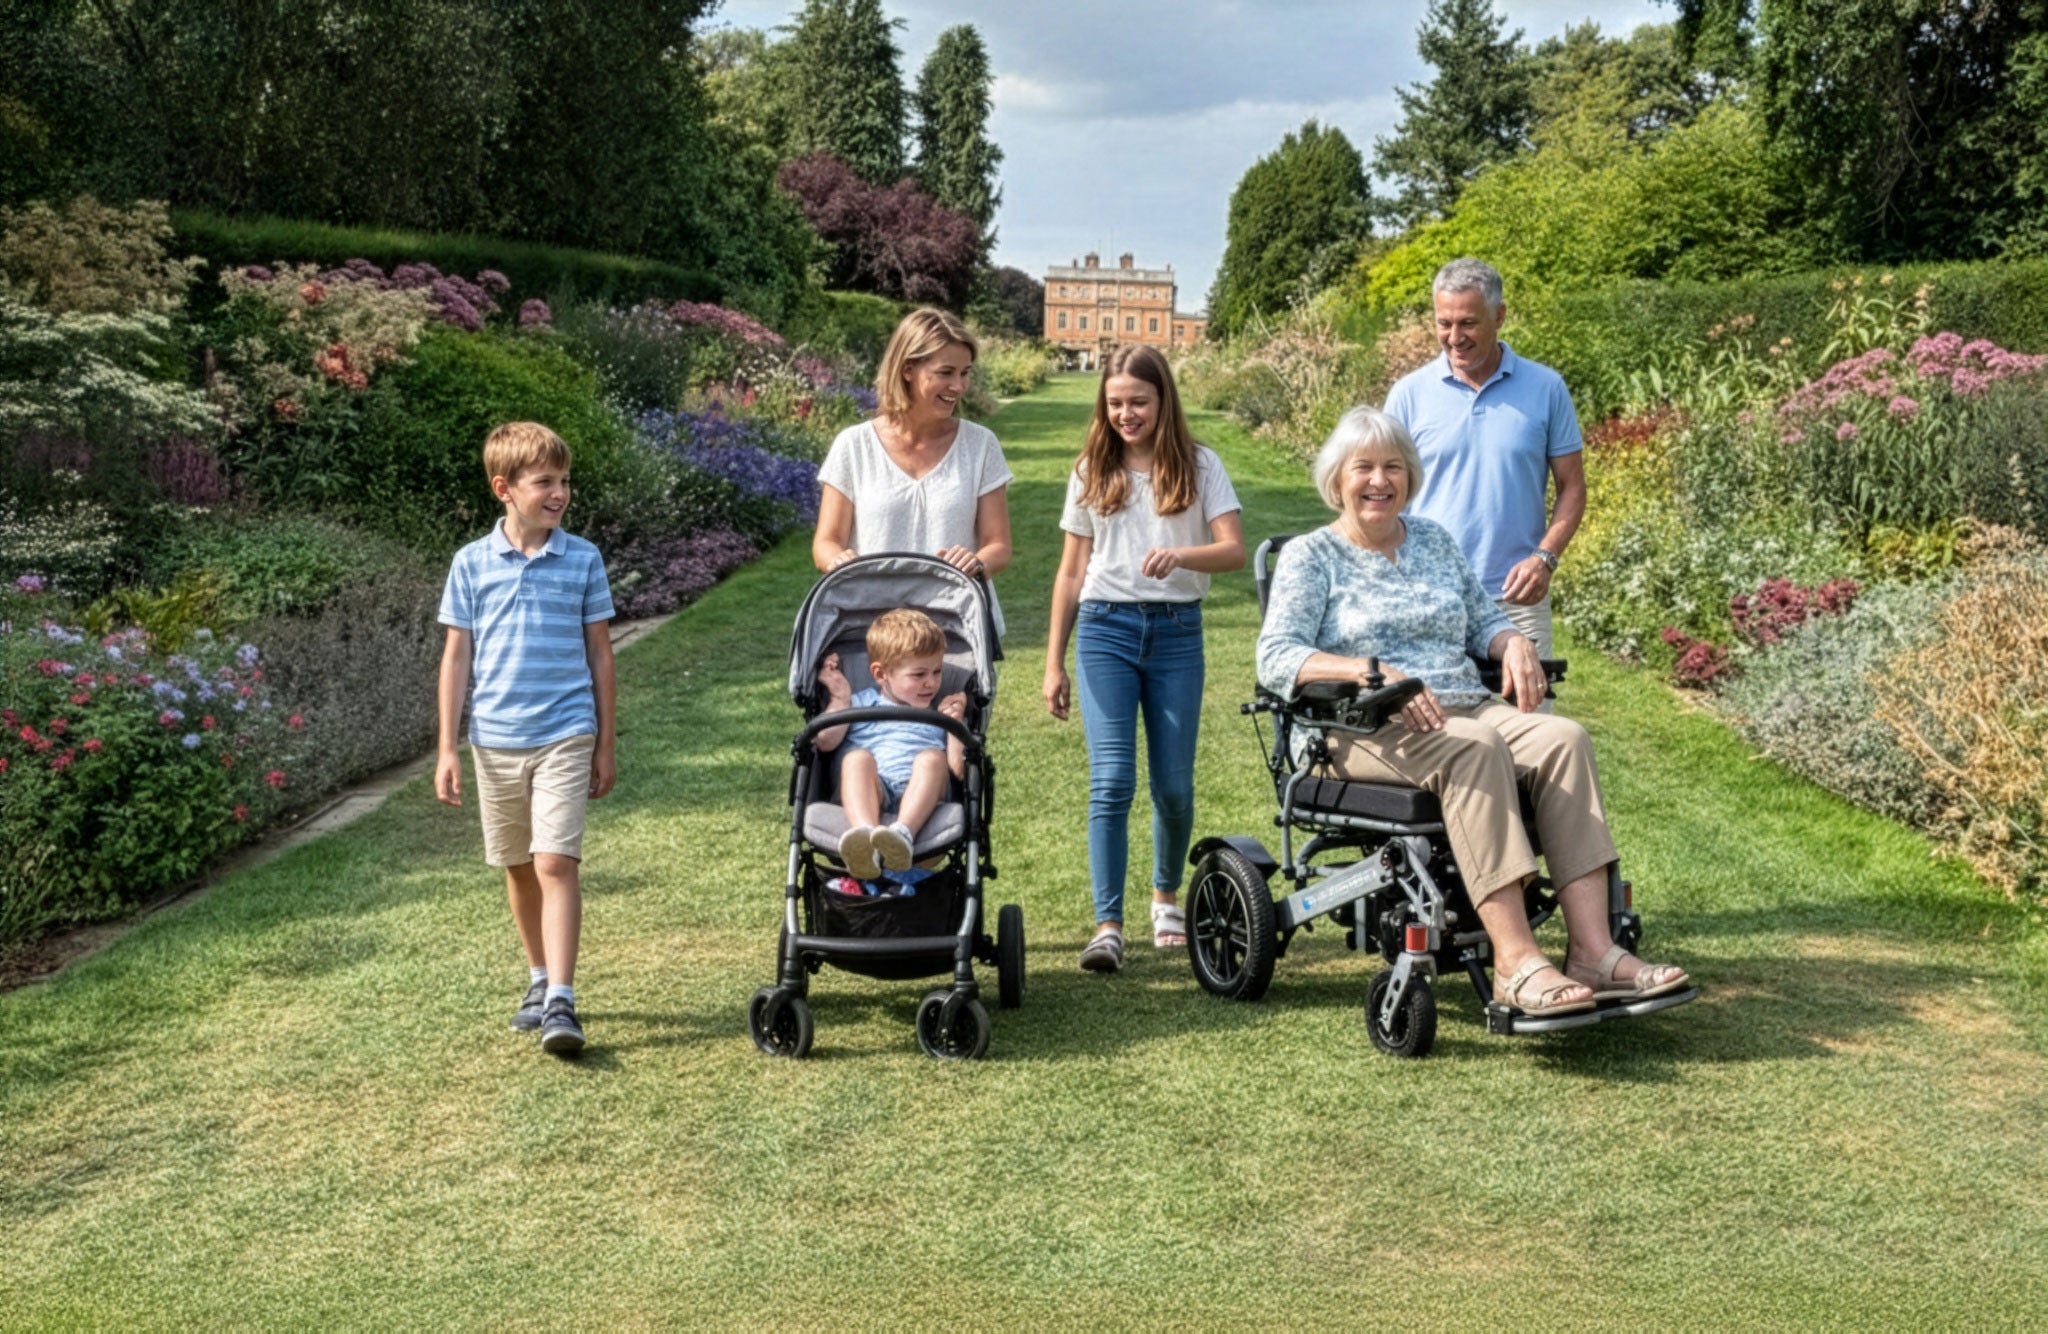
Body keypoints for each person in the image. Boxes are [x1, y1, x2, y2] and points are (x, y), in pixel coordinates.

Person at [1255, 406, 1687, 1016]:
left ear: (1410, 476)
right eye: (1364, 468)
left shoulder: (1432, 539)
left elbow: (1482, 620)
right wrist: (1369, 670)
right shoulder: (1311, 556)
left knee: (1564, 737)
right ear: (1337, 478)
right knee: (1476, 748)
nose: (1380, 480)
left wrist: (1511, 641)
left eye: (1394, 467)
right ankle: (1515, 963)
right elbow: (1276, 657)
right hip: (1359, 726)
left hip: (1463, 705)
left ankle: (1593, 950)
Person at [1044, 344, 1246, 973]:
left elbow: (1234, 550)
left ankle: (1166, 895)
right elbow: (1071, 571)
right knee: (1111, 782)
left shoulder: (1200, 465)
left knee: (1174, 787)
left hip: (1176, 633)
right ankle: (1107, 926)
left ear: (1163, 401)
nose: (1125, 414)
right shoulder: (1091, 469)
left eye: (1137, 402)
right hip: (1104, 631)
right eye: (1114, 404)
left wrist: (1181, 556)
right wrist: (1053, 661)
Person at [435, 421, 617, 1056]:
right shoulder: (470, 564)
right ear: (503, 488)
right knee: (516, 865)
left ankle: (562, 1000)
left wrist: (604, 741)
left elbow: (601, 654)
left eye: (564, 481)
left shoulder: (583, 559)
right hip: (494, 739)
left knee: (554, 861)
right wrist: (446, 748)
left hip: (566, 730)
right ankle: (537, 980)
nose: (559, 492)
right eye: (545, 482)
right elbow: (457, 658)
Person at [1383, 257, 1585, 678]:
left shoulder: (1546, 388)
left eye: (1468, 324)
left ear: (1500, 316)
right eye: (1444, 323)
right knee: (1438, 734)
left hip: (1516, 601)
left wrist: (1544, 559)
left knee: (1531, 734)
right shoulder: (1408, 394)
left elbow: (1571, 486)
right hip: (1429, 596)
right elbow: (1382, 493)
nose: (1454, 337)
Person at [813, 308, 1015, 636]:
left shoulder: (980, 445)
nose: (959, 386)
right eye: (946, 372)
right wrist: (838, 561)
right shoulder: (854, 446)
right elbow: (826, 542)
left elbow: (999, 545)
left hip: (957, 629)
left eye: (965, 373)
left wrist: (978, 563)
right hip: (871, 632)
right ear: (908, 369)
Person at [815, 608, 968, 882]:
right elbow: (824, 742)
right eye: (918, 674)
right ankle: (865, 840)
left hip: (922, 795)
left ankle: (902, 835)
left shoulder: (939, 714)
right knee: (857, 758)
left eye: (937, 671)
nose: (931, 683)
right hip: (869, 792)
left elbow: (958, 769)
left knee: (932, 758)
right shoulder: (860, 703)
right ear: (881, 674)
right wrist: (840, 698)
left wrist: (956, 724)